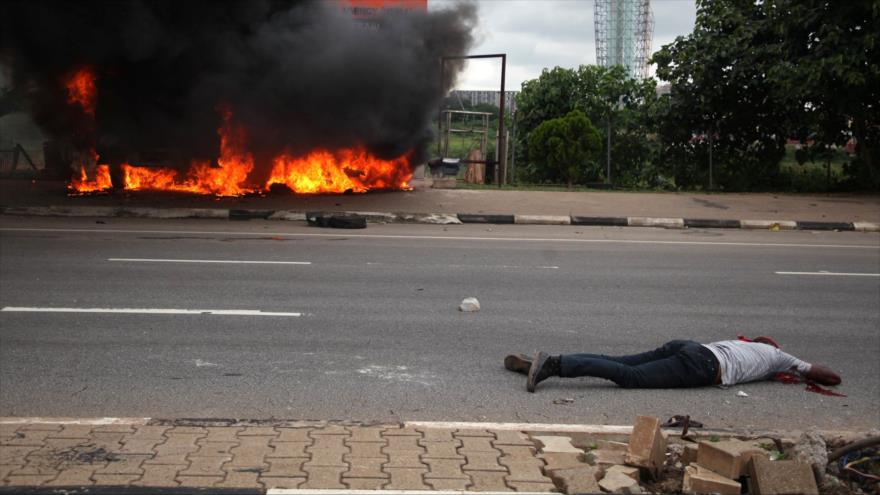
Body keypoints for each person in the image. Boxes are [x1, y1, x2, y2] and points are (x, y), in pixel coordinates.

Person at [503, 338, 842, 393]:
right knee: (630, 377)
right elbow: (829, 376)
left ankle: (553, 361)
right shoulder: (780, 358)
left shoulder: (743, 345)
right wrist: (801, 367)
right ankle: (552, 365)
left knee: (619, 363)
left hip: (690, 346)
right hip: (704, 366)